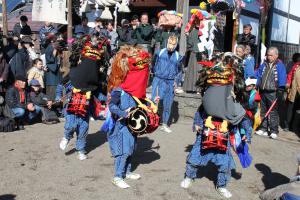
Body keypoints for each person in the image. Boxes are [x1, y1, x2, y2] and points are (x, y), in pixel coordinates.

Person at [105, 45, 152, 189]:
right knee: (123, 151)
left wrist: (151, 104)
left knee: (132, 147)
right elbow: (112, 106)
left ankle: (127, 171)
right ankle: (117, 176)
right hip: (122, 125)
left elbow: (141, 104)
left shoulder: (137, 92)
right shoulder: (119, 89)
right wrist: (125, 114)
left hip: (133, 126)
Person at [151, 35, 182, 133]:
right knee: (154, 101)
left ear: (176, 44)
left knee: (167, 104)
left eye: (173, 44)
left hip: (170, 82)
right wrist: (155, 73)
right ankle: (151, 121)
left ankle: (164, 124)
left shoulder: (178, 56)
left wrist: (176, 82)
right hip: (159, 79)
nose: (171, 46)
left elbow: (180, 71)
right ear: (167, 42)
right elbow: (153, 63)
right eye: (170, 43)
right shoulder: (159, 52)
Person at [255, 47, 287, 139]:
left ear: (276, 55)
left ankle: (273, 130)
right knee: (262, 110)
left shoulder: (280, 65)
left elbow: (282, 77)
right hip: (263, 91)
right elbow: (258, 75)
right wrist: (256, 84)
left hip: (273, 92)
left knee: (273, 112)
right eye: (268, 55)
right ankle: (263, 128)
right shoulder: (264, 64)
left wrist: (281, 89)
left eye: (271, 55)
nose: (269, 57)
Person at [242, 77, 261, 143]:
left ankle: (248, 138)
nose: (247, 87)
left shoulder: (256, 95)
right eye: (246, 85)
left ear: (254, 86)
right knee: (242, 126)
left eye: (249, 86)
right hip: (243, 111)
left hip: (250, 114)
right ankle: (243, 136)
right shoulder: (244, 92)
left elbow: (253, 106)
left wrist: (244, 106)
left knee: (247, 125)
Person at [285, 54, 300, 131]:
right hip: (294, 91)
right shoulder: (295, 66)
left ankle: (292, 126)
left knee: (295, 110)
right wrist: (288, 84)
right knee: (291, 109)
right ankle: (288, 125)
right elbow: (290, 76)